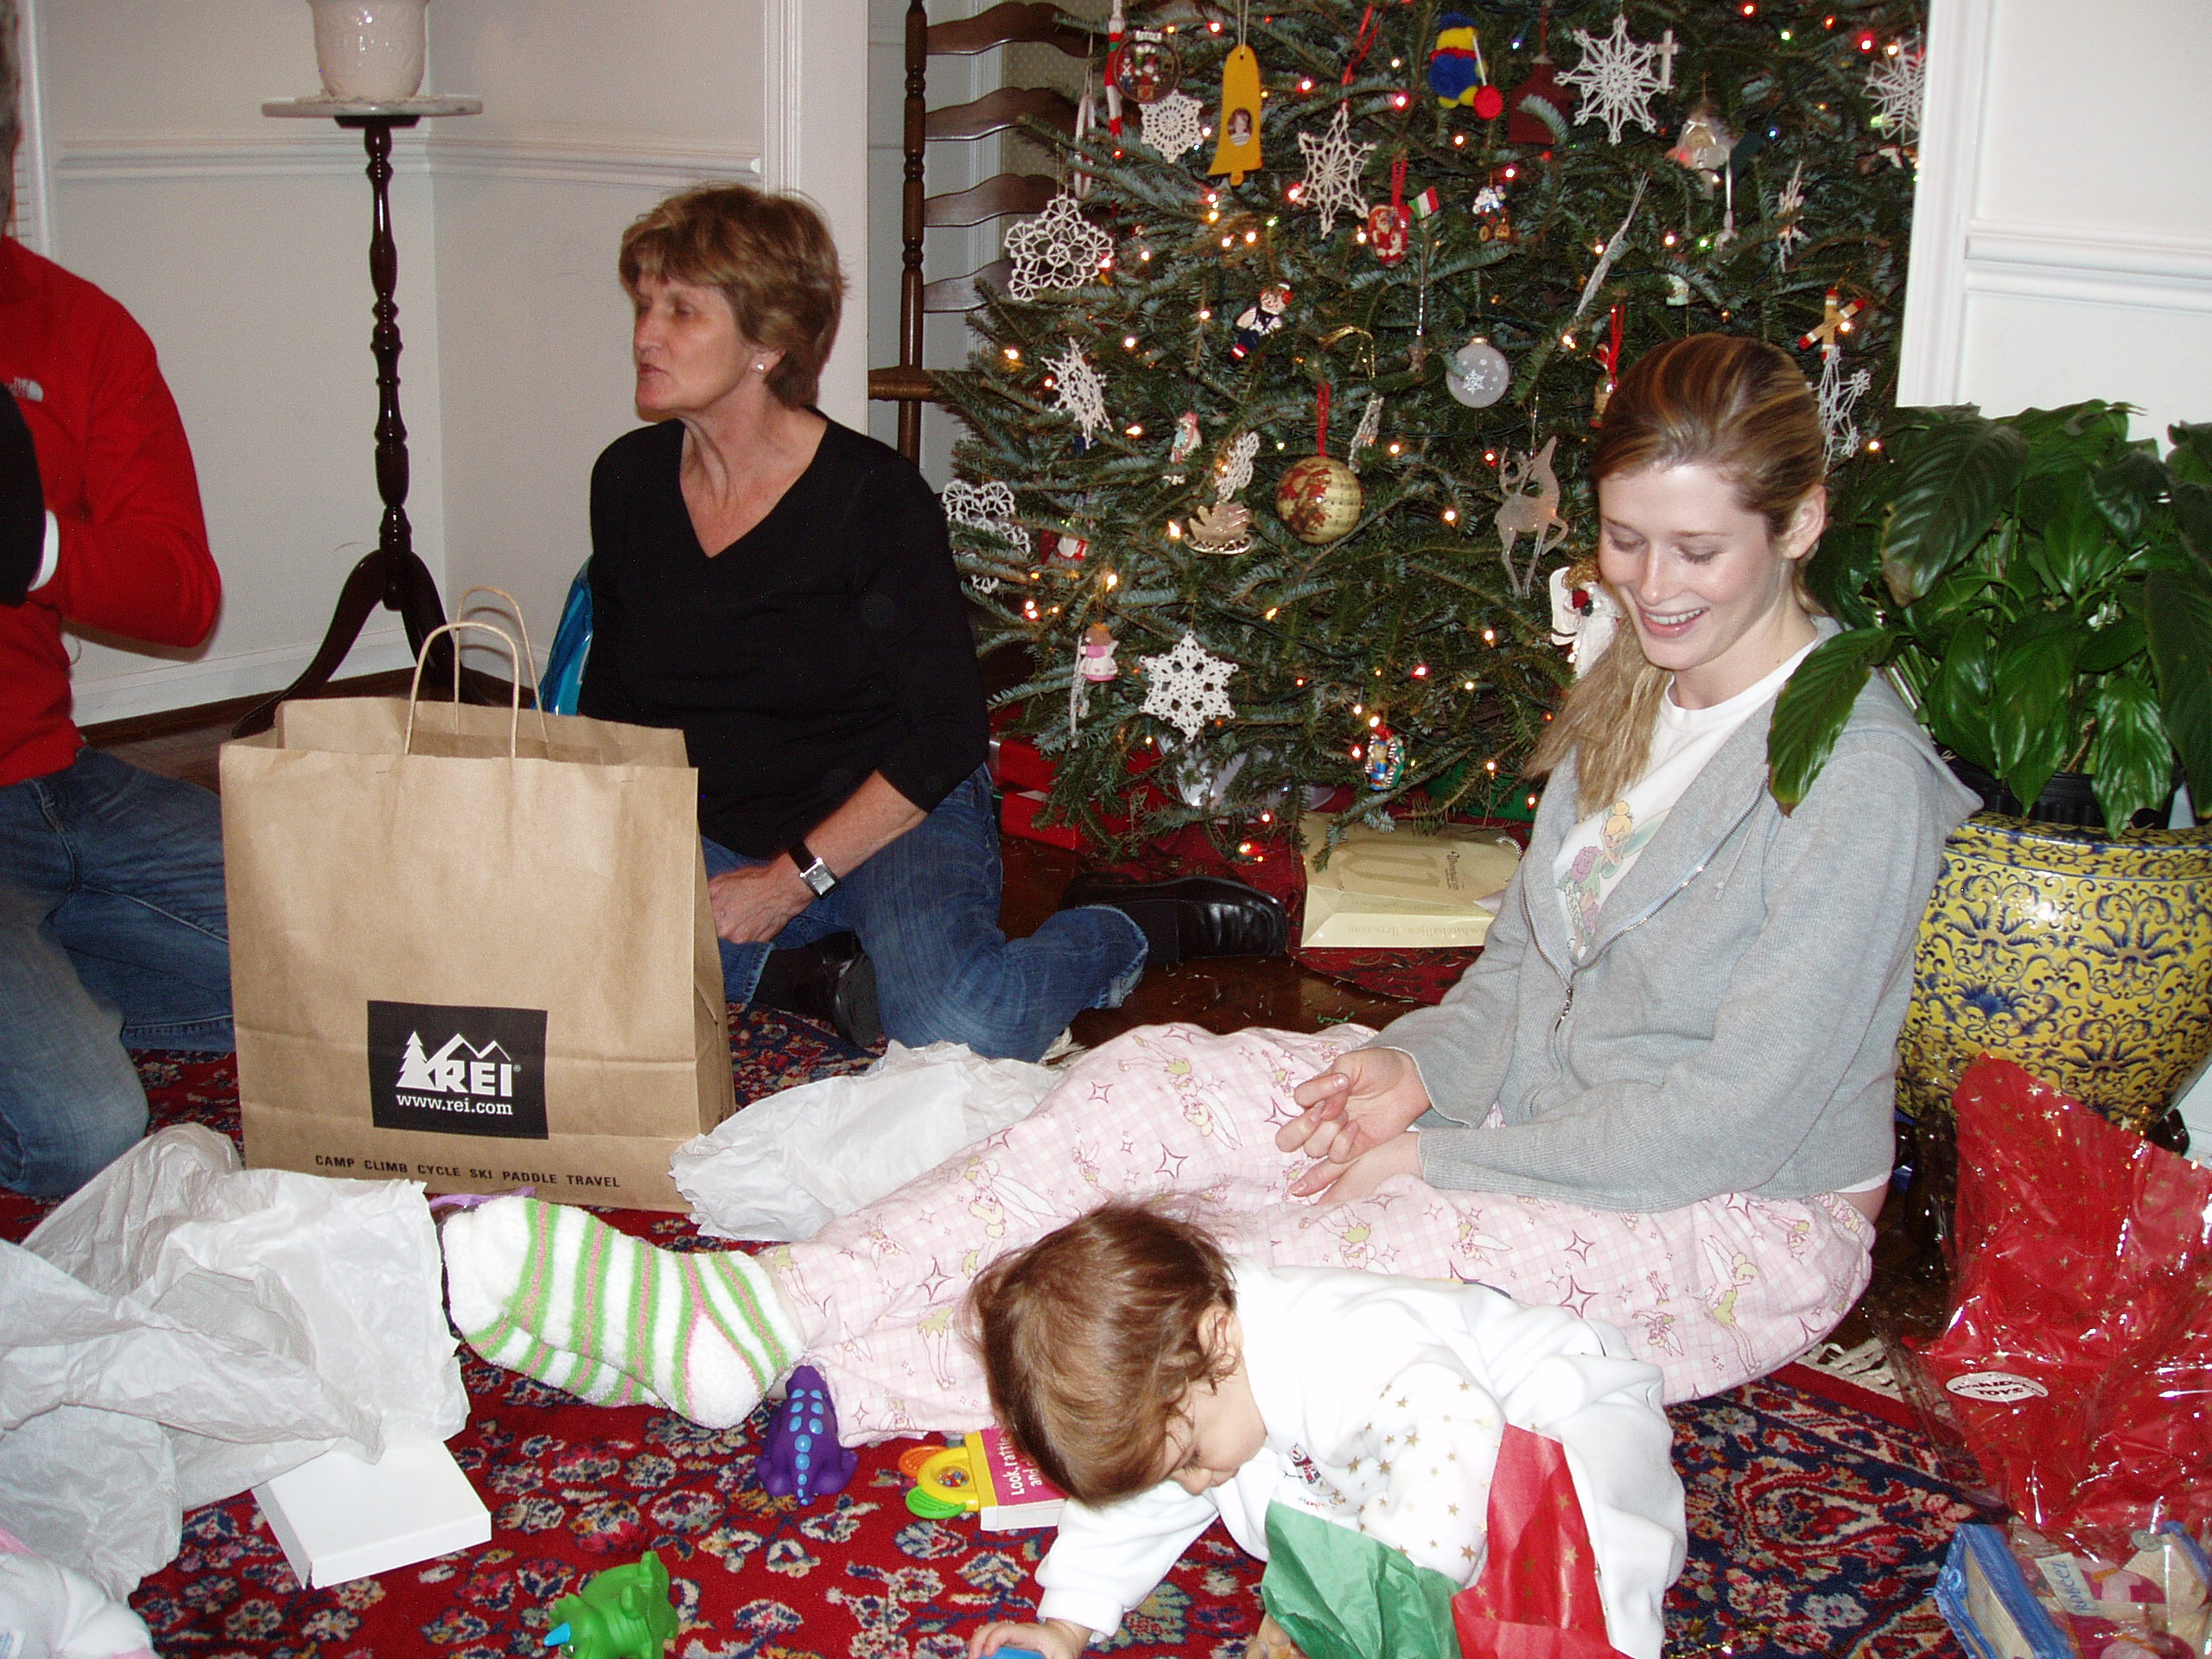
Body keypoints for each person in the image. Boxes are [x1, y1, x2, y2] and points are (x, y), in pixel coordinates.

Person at [442, 333, 1978, 1436]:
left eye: (1698, 552)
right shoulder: (1633, 687)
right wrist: (1406, 1071)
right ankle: (762, 1308)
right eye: (1628, 542)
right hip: (1522, 1112)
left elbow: (1736, 1118)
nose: (1651, 587)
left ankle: (841, 1384)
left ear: (1802, 525)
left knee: (1273, 1261)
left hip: (1723, 1220)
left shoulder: (1858, 780)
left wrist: (1435, 1159)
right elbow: (1522, 970)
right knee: (1153, 1090)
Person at [575, 183, 1285, 1062]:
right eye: (644, 305)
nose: (645, 334)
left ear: (767, 343)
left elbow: (944, 734)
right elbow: (614, 707)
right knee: (563, 952)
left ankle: (1123, 927)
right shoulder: (628, 481)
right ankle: (818, 973)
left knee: (964, 1022)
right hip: (718, 829)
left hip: (887, 813)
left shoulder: (871, 498)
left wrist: (791, 880)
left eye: (681, 310)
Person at [958, 1204, 1683, 1659]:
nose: (1193, 1484)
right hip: (1388, 1470)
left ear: (1219, 1339)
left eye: (1188, 1458)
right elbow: (1136, 1506)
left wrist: (1364, 1619)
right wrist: (1067, 1622)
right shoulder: (1199, 1389)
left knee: (1585, 1554)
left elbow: (1447, 1438)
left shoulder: (1348, 1347)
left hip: (1556, 1409)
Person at [0, 229, 229, 1198]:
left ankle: (47, 978)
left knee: (367, 966)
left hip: (59, 780)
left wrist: (36, 546)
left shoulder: (77, 323)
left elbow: (184, 595)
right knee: (86, 1131)